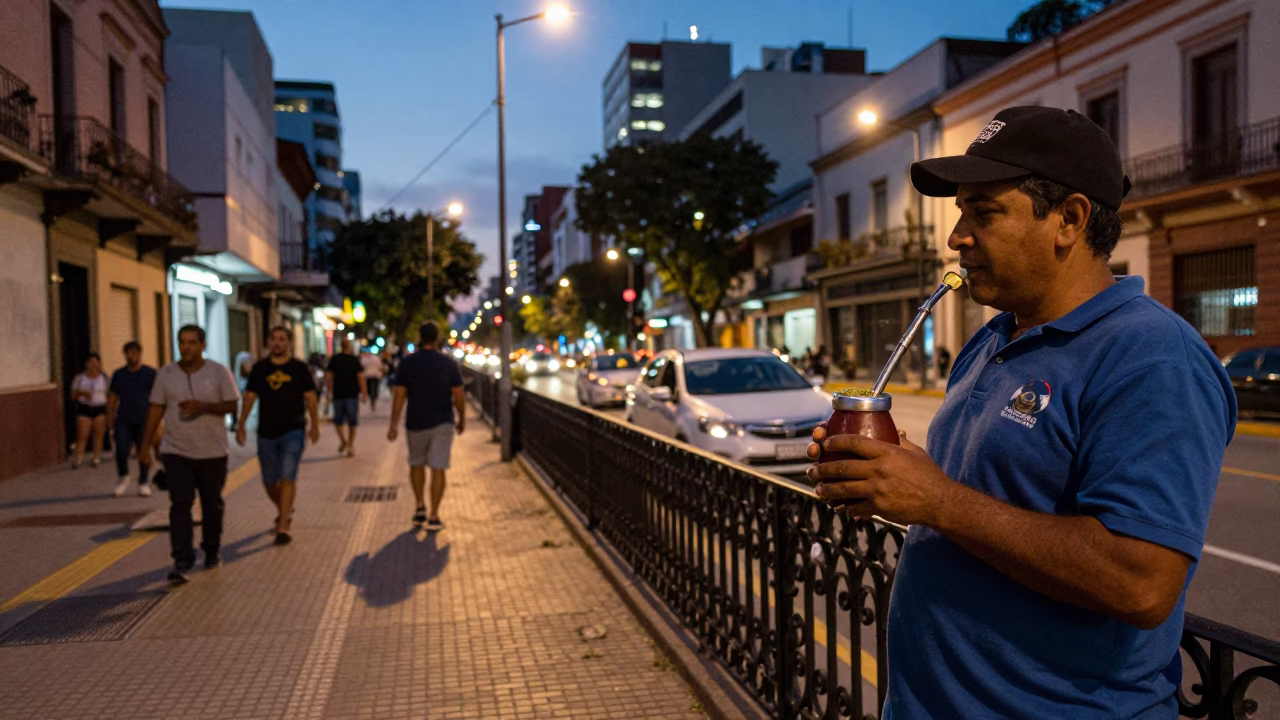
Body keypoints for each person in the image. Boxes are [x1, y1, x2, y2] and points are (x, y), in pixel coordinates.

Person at [805, 106, 1236, 719]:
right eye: (960, 212)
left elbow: (1142, 582)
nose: (957, 235)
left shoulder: (1153, 358)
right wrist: (892, 476)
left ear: (1069, 219)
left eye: (984, 212)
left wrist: (937, 501)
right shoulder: (994, 337)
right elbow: (976, 502)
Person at [140, 325, 241, 584]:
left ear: (202, 345)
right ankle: (182, 558)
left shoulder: (218, 372)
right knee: (180, 504)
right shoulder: (167, 374)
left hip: (212, 452)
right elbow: (156, 408)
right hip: (176, 451)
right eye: (182, 342)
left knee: (211, 504)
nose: (186, 348)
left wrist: (203, 407)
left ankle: (211, 549)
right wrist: (145, 445)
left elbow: (231, 404)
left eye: (192, 343)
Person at [236, 327, 320, 545]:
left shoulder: (299, 368)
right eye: (273, 339)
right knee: (269, 480)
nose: (277, 343)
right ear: (267, 342)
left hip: (293, 430)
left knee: (287, 476)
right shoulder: (260, 368)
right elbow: (250, 396)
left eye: (282, 339)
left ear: (289, 343)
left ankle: (283, 524)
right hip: (266, 432)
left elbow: (310, 397)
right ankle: (285, 508)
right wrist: (241, 424)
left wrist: (315, 424)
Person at [387, 322, 464, 532]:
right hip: (442, 422)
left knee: (416, 465)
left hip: (416, 422)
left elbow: (399, 394)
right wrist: (462, 418)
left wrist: (393, 423)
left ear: (420, 337)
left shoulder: (408, 363)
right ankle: (434, 515)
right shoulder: (448, 363)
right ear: (437, 337)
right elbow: (458, 394)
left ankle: (420, 505)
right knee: (438, 468)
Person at [106, 341, 157, 496]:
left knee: (143, 450)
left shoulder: (150, 373)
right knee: (121, 450)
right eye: (128, 352)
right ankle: (123, 477)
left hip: (144, 418)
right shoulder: (119, 375)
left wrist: (156, 421)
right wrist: (110, 421)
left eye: (134, 352)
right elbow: (112, 398)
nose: (131, 355)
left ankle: (143, 481)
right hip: (123, 418)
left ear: (140, 354)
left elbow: (157, 398)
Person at [325, 338, 366, 457]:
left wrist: (328, 391)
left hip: (338, 394)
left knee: (338, 420)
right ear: (349, 347)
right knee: (352, 421)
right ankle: (350, 445)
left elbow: (328, 376)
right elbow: (361, 377)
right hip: (352, 394)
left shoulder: (335, 359)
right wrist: (363, 392)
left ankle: (344, 441)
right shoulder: (354, 360)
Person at [69, 353, 110, 469]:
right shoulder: (80, 378)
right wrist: (82, 393)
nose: (93, 365)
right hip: (84, 407)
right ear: (86, 364)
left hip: (100, 407)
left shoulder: (104, 378)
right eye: (91, 362)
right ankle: (78, 458)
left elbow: (109, 394)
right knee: (82, 434)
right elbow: (72, 395)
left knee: (98, 434)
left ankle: (96, 457)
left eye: (96, 362)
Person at [360, 348, 385, 412]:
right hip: (375, 376)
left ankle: (372, 400)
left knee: (370, 389)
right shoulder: (377, 358)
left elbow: (362, 367)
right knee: (375, 389)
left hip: (368, 376)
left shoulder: (365, 359)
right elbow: (380, 367)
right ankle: (373, 400)